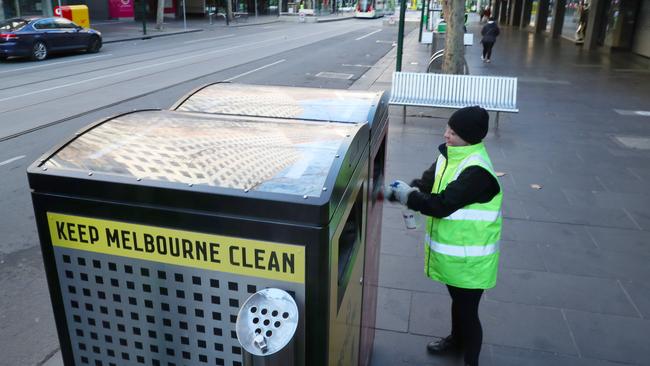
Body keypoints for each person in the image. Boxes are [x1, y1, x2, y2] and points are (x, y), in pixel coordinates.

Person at [386, 106, 502, 366]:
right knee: (458, 301)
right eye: (448, 128)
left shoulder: (478, 172)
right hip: (455, 254)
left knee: (468, 311)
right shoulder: (448, 154)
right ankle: (455, 340)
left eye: (453, 132)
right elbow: (427, 184)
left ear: (469, 137)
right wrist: (405, 190)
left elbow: (442, 204)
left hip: (471, 258)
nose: (446, 134)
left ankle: (471, 361)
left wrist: (411, 198)